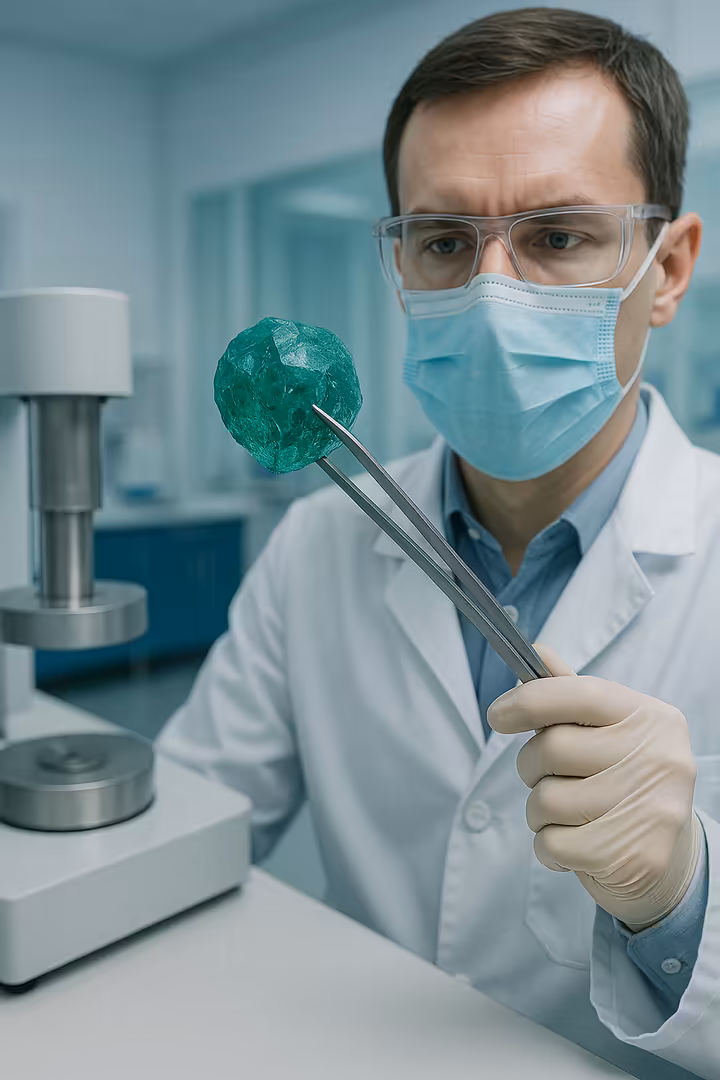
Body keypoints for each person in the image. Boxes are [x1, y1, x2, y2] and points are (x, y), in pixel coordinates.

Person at [158, 10, 720, 1078]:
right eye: (445, 241)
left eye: (558, 237)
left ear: (672, 265)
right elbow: (192, 820)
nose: (492, 294)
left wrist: (678, 900)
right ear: (401, 261)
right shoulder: (317, 541)